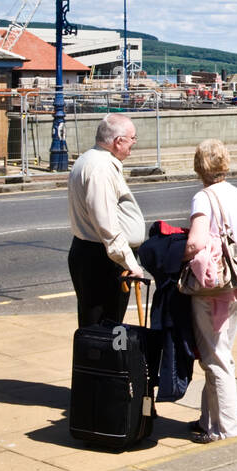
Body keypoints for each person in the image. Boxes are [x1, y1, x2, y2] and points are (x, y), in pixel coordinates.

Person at [184, 139, 237, 442]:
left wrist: (182, 256)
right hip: (235, 281)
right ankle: (206, 419)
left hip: (210, 286)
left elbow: (195, 243)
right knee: (221, 351)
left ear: (199, 167)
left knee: (215, 357)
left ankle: (226, 429)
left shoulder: (203, 198)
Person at [67, 114, 147, 327]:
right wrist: (130, 263)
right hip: (102, 260)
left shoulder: (90, 159)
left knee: (96, 328)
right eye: (132, 138)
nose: (134, 143)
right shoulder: (100, 168)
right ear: (118, 141)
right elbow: (107, 226)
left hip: (94, 254)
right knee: (103, 330)